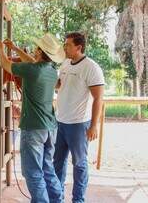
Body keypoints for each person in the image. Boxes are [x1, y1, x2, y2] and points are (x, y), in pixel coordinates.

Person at [0, 33, 65, 203]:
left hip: (33, 128)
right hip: (50, 128)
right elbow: (32, 62)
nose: (34, 51)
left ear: (40, 52)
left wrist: (0, 49)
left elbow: (5, 63)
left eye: (37, 49)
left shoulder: (32, 70)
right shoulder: (51, 71)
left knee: (33, 172)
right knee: (47, 169)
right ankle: (57, 200)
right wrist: (14, 48)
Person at [54, 32, 105, 203]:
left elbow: (98, 98)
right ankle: (57, 198)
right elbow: (59, 85)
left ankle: (78, 200)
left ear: (78, 47)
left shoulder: (91, 67)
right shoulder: (65, 63)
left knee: (79, 165)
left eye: (68, 45)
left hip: (79, 124)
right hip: (60, 122)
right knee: (58, 163)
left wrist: (94, 126)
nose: (64, 47)